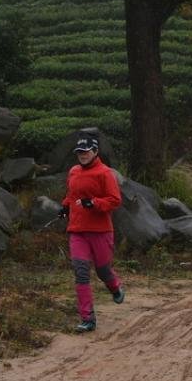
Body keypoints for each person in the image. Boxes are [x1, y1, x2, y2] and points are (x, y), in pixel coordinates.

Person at [59, 134, 125, 333]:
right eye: (79, 152)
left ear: (95, 151)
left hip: (100, 230)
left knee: (103, 270)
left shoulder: (105, 173)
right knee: (80, 272)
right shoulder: (73, 171)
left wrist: (94, 203)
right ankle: (88, 318)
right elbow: (72, 195)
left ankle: (114, 287)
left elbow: (115, 200)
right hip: (77, 230)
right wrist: (65, 207)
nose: (82, 155)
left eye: (86, 151)